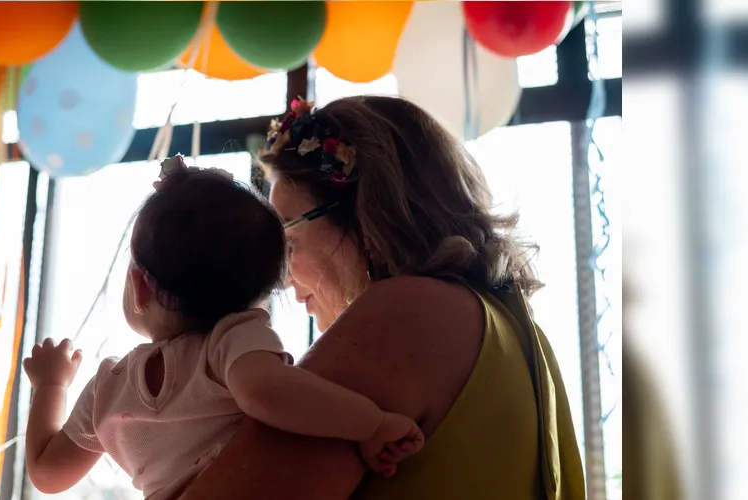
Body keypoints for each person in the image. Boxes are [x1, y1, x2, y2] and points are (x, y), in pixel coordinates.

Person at [178, 97, 586, 500]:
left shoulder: (410, 315)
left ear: (367, 216)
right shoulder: (510, 331)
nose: (281, 280)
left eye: (289, 238)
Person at [21, 155, 424, 500]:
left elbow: (46, 472)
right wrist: (371, 423)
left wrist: (51, 386)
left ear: (141, 286)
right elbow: (269, 391)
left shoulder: (107, 387)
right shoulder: (233, 340)